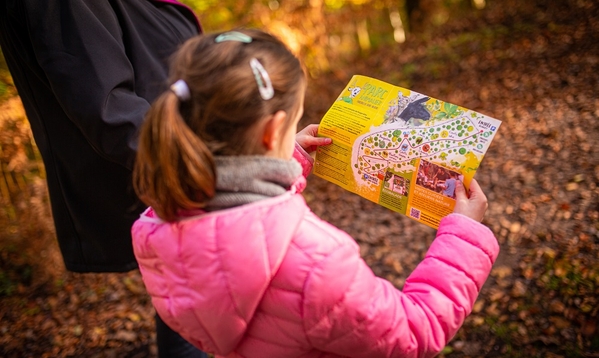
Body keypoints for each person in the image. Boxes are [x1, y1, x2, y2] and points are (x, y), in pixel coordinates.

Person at [131, 28, 499, 357]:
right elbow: (412, 335)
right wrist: (463, 236)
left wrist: (287, 156)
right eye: (293, 121)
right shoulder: (317, 264)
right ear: (273, 131)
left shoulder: (159, 224)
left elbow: (241, 221)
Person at [0, 0, 207, 356]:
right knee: (191, 295)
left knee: (192, 294)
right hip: (163, 172)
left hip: (180, 162)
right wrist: (212, 164)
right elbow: (108, 109)